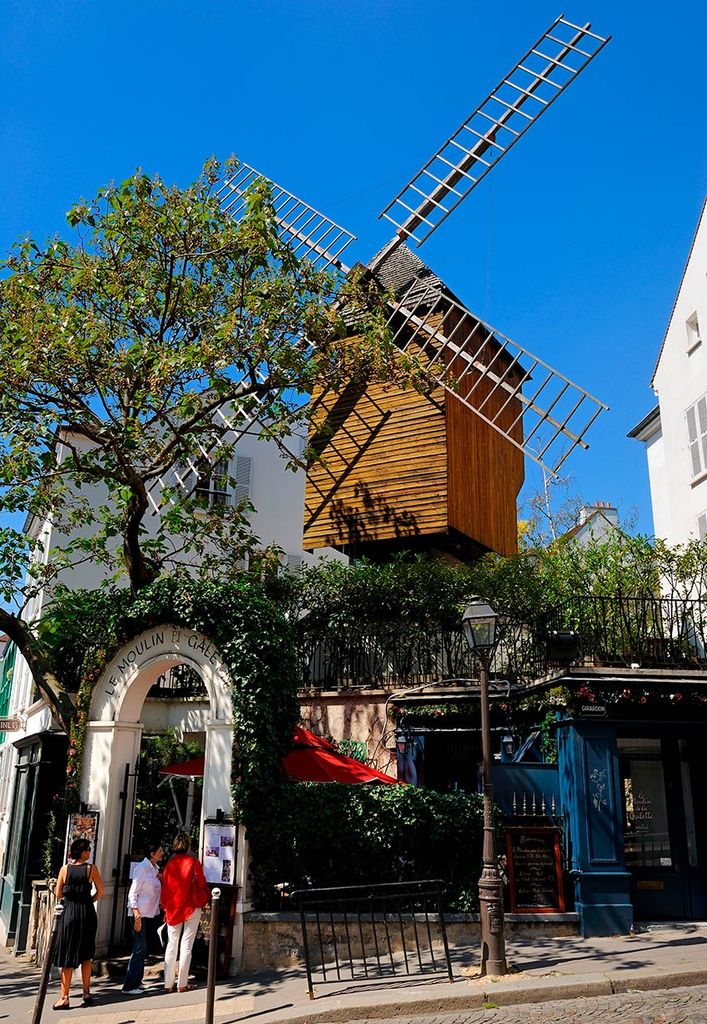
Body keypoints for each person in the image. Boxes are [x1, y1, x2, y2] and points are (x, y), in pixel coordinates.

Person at [52, 837, 104, 1010]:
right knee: (86, 954)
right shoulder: (91, 869)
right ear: (83, 852)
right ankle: (86, 992)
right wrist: (89, 900)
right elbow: (101, 891)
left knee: (68, 956)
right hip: (87, 913)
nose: (89, 852)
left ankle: (64, 997)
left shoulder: (64, 870)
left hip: (69, 914)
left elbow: (58, 893)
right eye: (88, 849)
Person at [161, 832, 210, 993]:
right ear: (188, 846)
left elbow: (165, 887)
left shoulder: (170, 864)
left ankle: (168, 984)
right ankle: (182, 982)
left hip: (173, 908)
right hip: (190, 906)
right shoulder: (193, 862)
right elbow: (202, 883)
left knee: (171, 944)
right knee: (186, 945)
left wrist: (165, 906)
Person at [122, 841, 164, 995]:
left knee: (143, 948)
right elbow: (133, 892)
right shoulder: (142, 869)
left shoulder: (153, 868)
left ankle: (137, 981)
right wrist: (136, 913)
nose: (162, 853)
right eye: (159, 851)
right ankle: (129, 985)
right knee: (139, 948)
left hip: (148, 913)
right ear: (152, 854)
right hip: (139, 914)